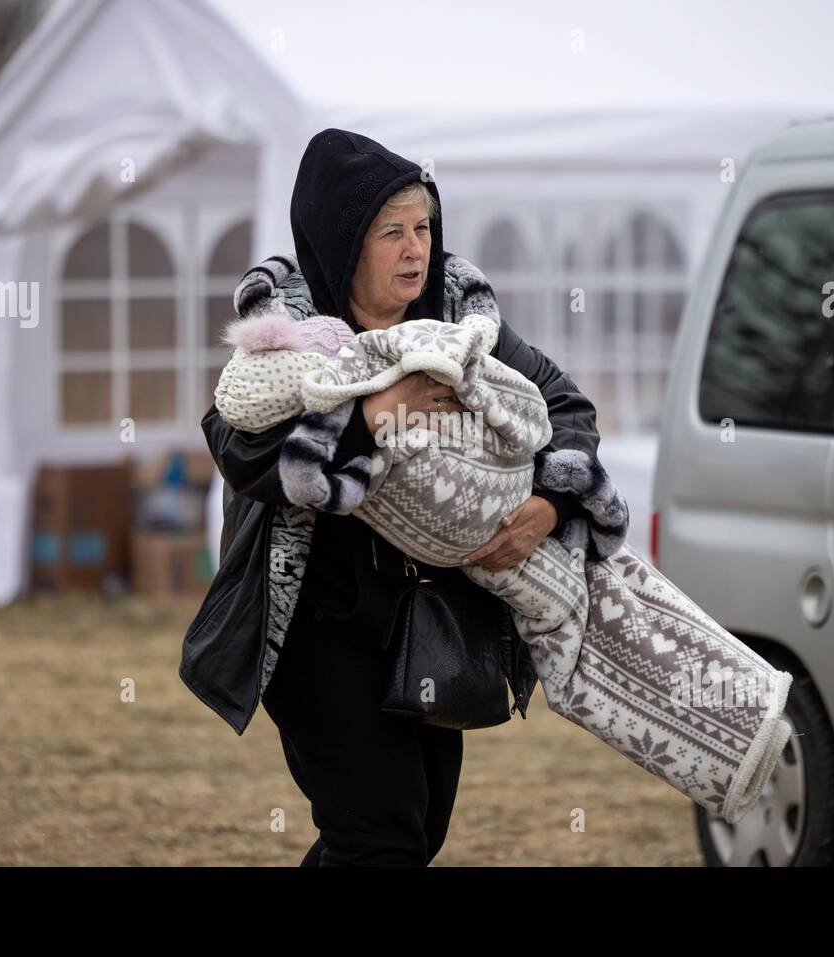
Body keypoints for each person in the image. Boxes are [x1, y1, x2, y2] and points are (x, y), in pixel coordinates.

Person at [180, 128, 617, 866]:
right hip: (314, 625)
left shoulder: (463, 321)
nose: (416, 248)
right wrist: (370, 417)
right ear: (345, 239)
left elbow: (565, 407)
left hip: (431, 620)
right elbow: (236, 445)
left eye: (423, 228)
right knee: (378, 835)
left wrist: (549, 504)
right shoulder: (287, 331)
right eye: (392, 233)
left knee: (416, 833)